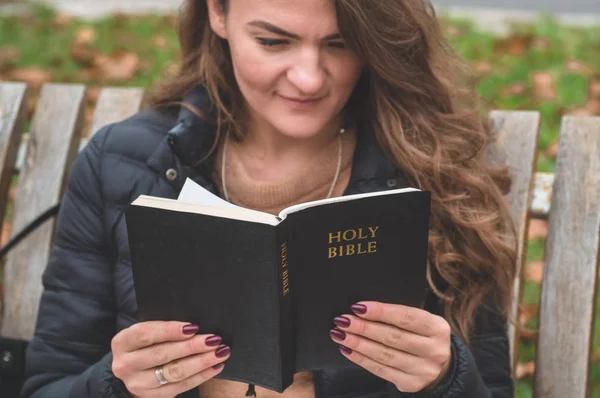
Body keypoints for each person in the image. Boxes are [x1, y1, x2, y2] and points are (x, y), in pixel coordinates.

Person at [21, 0, 517, 397]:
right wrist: (120, 384)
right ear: (217, 13)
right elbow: (50, 384)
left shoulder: (432, 170)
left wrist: (444, 379)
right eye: (273, 41)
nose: (309, 77)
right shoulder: (121, 164)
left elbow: (486, 388)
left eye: (340, 44)